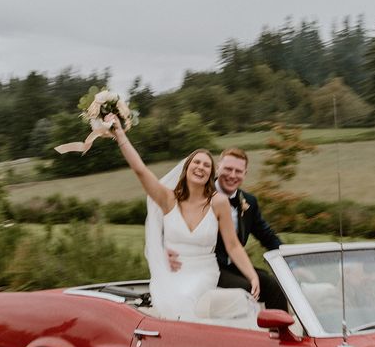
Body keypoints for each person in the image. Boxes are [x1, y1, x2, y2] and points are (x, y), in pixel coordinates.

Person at [106, 114, 260, 320]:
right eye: (196, 162)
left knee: (185, 298)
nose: (201, 167)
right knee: (168, 300)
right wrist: (119, 134)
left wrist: (252, 275)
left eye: (206, 165)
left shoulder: (218, 203)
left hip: (204, 271)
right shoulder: (167, 199)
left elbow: (233, 246)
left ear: (210, 174)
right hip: (172, 273)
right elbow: (140, 170)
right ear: (186, 168)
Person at [169, 147, 288, 311]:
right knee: (244, 289)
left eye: (238, 171)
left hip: (234, 266)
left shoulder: (249, 202)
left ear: (245, 174)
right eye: (228, 169)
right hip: (206, 267)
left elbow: (267, 236)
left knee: (275, 285)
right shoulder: (200, 195)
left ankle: (280, 333)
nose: (232, 175)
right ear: (218, 168)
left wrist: (290, 260)